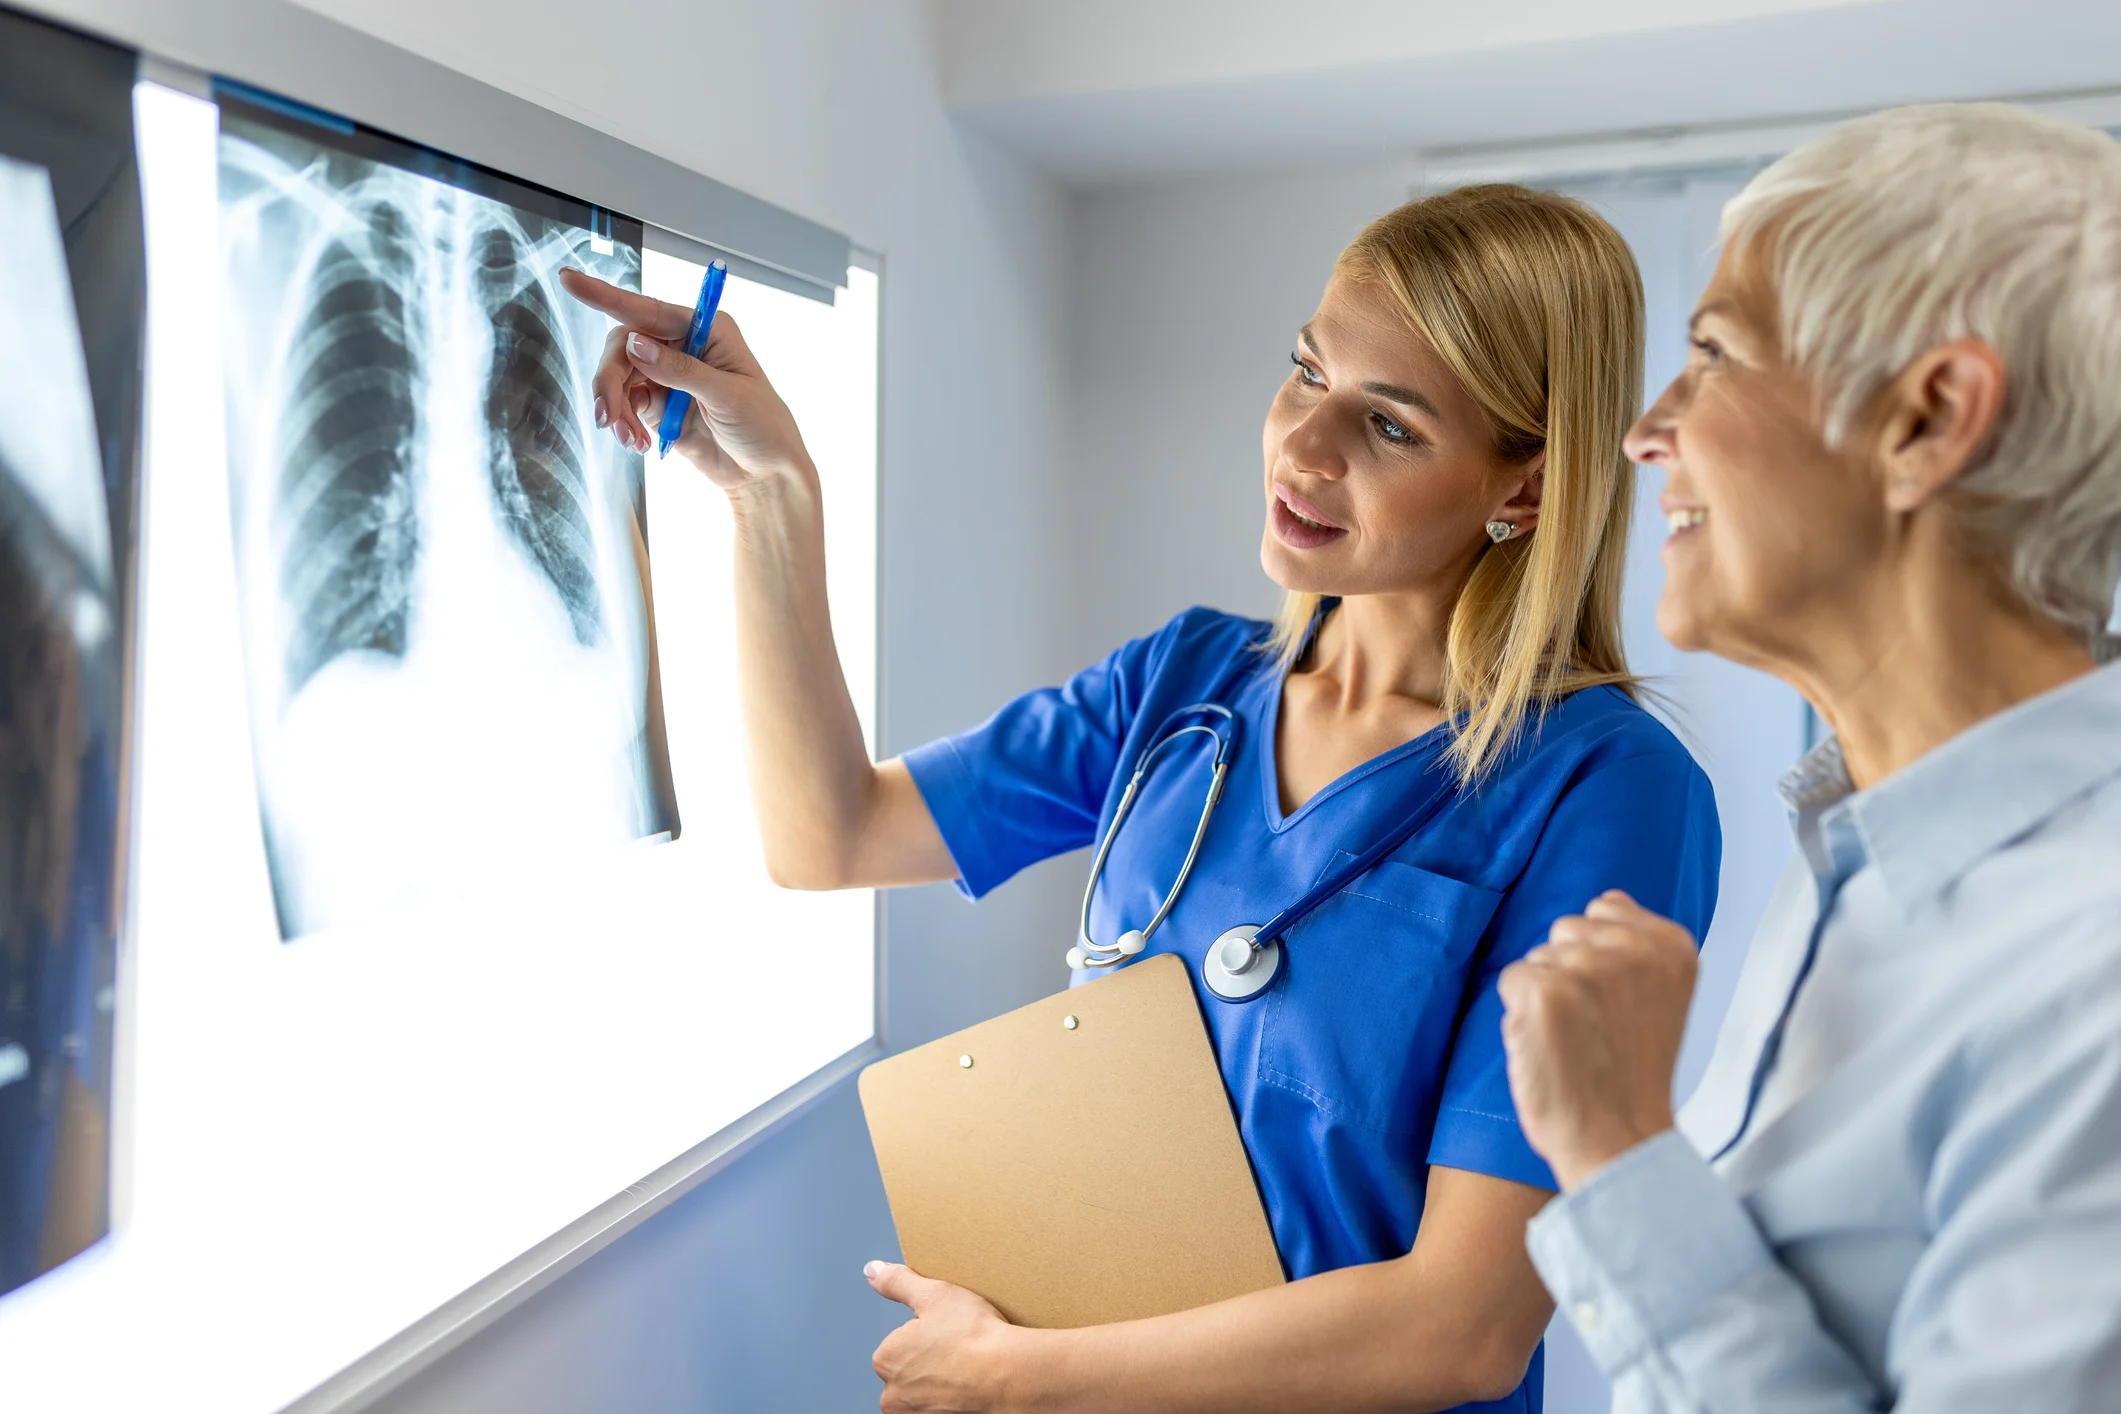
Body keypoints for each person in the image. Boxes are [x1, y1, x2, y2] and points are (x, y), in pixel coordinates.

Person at [562, 184, 1720, 1413]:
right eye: (1307, 371)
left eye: (1389, 425)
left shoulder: (1607, 787)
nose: (1303, 448)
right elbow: (829, 834)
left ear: (1524, 491)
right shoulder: (1185, 685)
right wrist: (770, 493)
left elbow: (1465, 1327)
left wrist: (1021, 1377)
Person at [1497, 102, 2121, 1410]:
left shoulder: (2094, 969)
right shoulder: (1851, 851)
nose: (1644, 430)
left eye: (1714, 353)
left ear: (1927, 419)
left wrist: (1621, 1161)